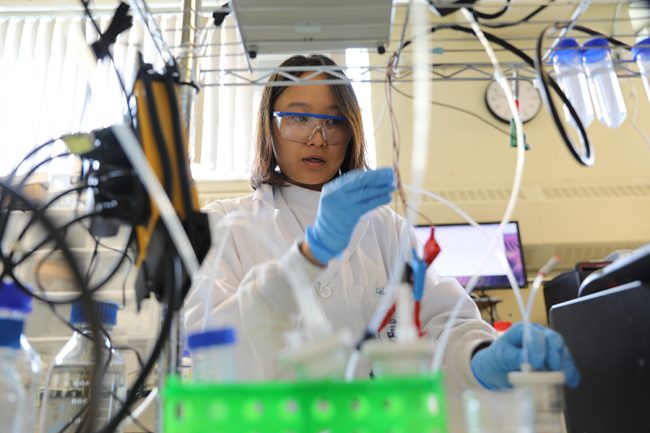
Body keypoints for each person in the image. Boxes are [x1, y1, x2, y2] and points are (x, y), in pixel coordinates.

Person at [183, 54, 579, 397]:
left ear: (351, 131)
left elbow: (443, 322)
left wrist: (481, 357)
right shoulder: (228, 224)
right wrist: (309, 256)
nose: (317, 138)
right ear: (269, 127)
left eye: (334, 122)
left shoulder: (386, 228)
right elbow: (211, 345)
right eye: (299, 118)